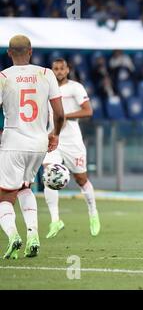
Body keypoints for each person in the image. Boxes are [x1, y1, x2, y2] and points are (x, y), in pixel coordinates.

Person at [0, 35, 65, 259]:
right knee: (25, 187)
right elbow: (59, 113)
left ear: (9, 53)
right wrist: (55, 135)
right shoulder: (46, 74)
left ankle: (12, 236)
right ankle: (33, 235)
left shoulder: (3, 77)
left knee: (4, 196)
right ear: (30, 51)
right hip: (39, 144)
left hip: (12, 142)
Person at [43, 58, 101, 238]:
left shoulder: (75, 88)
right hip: (54, 137)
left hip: (72, 140)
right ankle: (55, 220)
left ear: (67, 70)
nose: (59, 71)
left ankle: (93, 212)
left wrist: (65, 115)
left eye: (62, 68)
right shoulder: (47, 89)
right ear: (52, 71)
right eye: (55, 69)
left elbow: (88, 111)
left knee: (81, 179)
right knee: (49, 174)